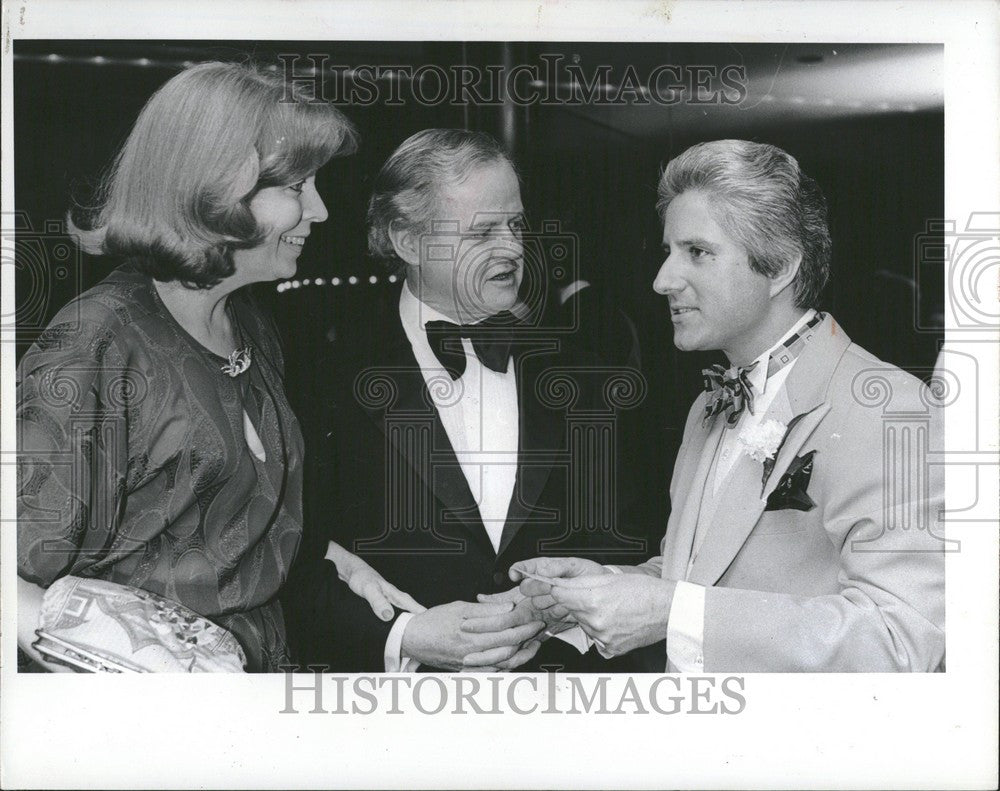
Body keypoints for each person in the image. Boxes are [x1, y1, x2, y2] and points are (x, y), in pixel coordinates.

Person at [16, 61, 421, 673]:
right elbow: (14, 583)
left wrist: (334, 558)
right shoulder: (94, 343)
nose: (320, 210)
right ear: (213, 191)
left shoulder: (252, 324)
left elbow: (219, 519)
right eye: (295, 187)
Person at [512, 139, 946, 672]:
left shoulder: (892, 411)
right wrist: (606, 588)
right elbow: (703, 577)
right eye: (668, 252)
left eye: (697, 252)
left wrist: (671, 611)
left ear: (782, 265)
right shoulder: (709, 407)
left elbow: (899, 642)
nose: (662, 280)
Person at [283, 128, 649, 673]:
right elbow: (285, 562)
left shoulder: (588, 369)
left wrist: (562, 620)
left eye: (516, 225)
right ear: (408, 242)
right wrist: (403, 635)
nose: (511, 249)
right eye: (482, 233)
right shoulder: (317, 371)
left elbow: (636, 541)